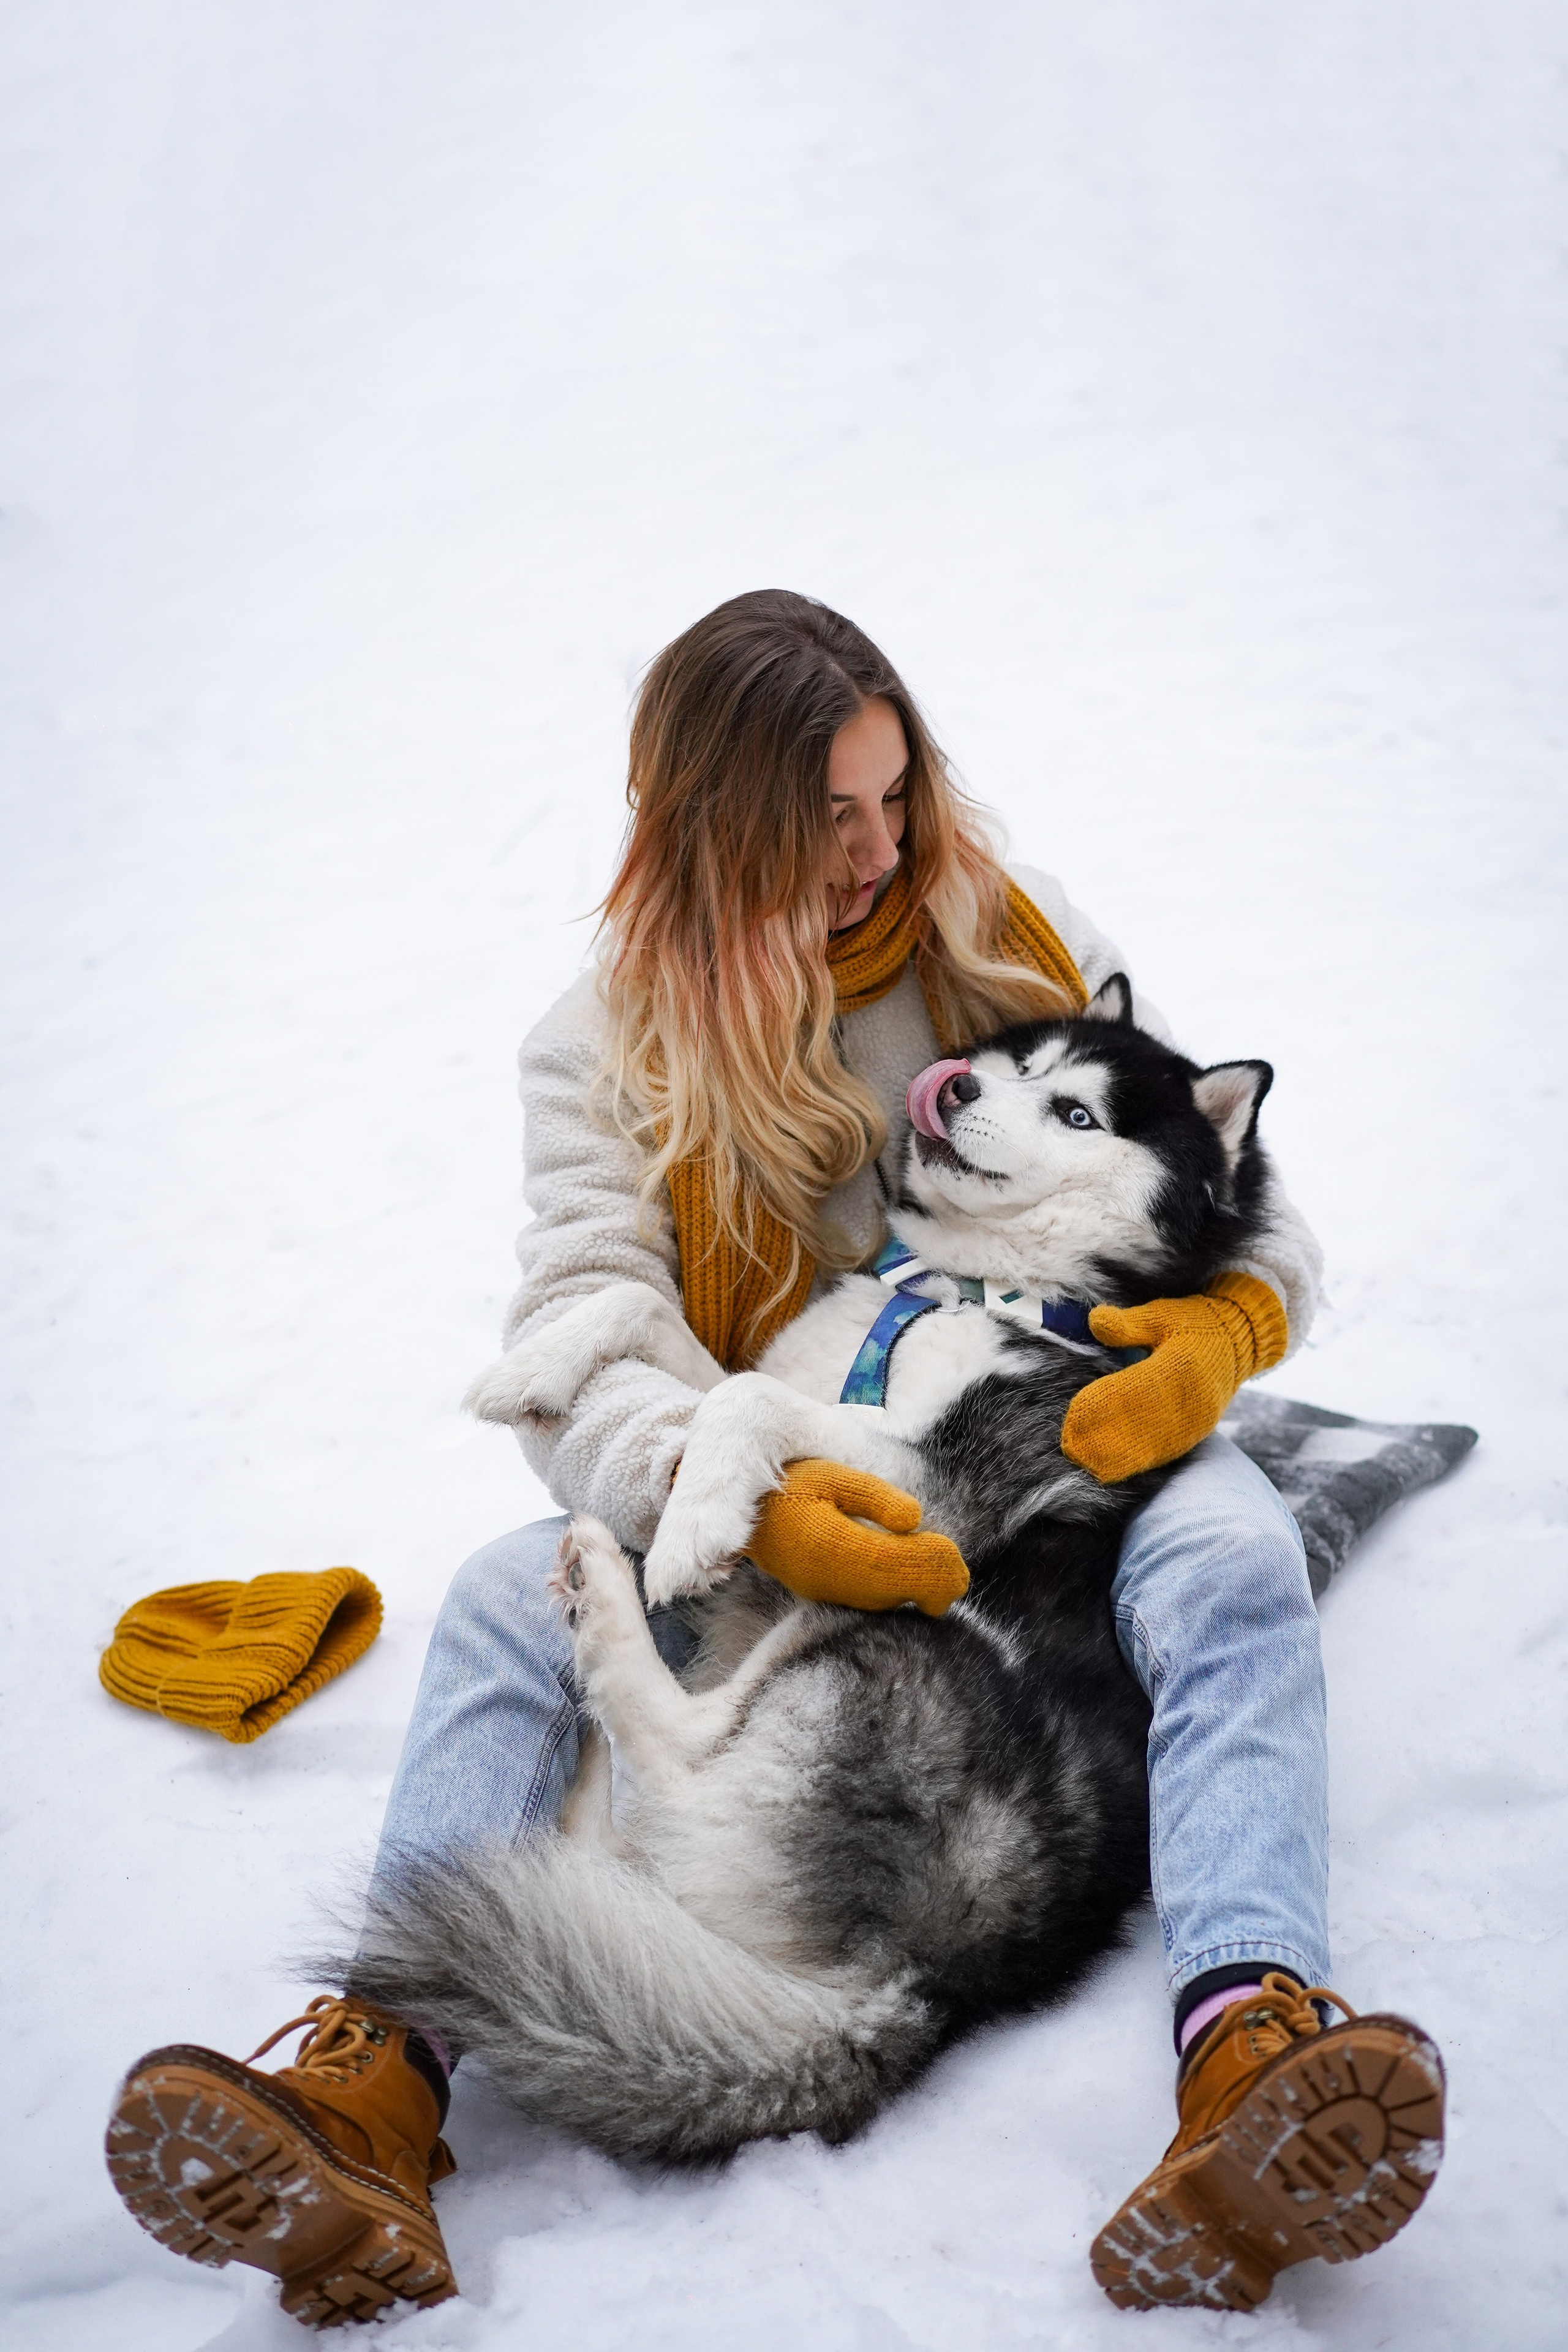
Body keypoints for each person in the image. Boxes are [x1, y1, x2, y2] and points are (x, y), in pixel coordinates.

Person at [107, 590, 1444, 2324]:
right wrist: (719, 1492)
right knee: (515, 1595)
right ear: (713, 824)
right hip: (795, 1464)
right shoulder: (601, 1049)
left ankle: (1251, 2034)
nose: (881, 853)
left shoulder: (1003, 929)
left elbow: (1222, 1189)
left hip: (1057, 1436)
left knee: (1234, 1554)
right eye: (828, 820)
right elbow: (587, 1323)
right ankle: (375, 2079)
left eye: (898, 797)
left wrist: (1225, 1341)